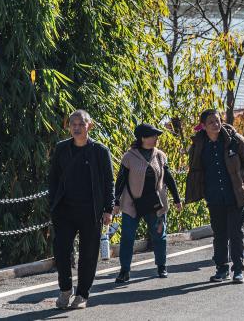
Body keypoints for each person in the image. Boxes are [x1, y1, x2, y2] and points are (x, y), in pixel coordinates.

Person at [48, 110, 115, 310]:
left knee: (88, 255)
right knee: (61, 250)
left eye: (81, 124)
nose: (76, 128)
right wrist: (53, 205)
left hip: (91, 211)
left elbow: (109, 182)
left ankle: (82, 294)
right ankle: (65, 289)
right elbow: (53, 179)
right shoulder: (61, 148)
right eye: (73, 124)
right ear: (69, 127)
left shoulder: (100, 151)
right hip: (65, 210)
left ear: (89, 126)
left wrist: (108, 209)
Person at [185, 109, 244, 283]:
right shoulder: (199, 145)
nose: (216, 124)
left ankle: (238, 269)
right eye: (211, 122)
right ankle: (222, 269)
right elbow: (195, 168)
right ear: (203, 126)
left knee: (236, 233)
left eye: (217, 120)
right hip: (214, 196)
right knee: (220, 234)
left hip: (236, 194)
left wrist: (242, 179)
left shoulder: (234, 139)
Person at [113, 123, 183, 283]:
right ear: (143, 138)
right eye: (153, 135)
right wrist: (116, 201)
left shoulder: (160, 156)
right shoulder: (129, 157)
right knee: (127, 238)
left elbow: (168, 178)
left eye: (156, 135)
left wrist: (177, 199)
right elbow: (121, 180)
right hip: (132, 203)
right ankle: (124, 270)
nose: (156, 138)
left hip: (155, 203)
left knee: (159, 235)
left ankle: (161, 266)